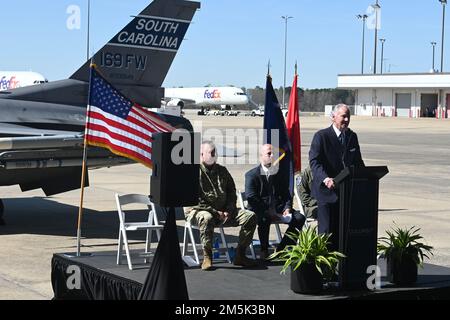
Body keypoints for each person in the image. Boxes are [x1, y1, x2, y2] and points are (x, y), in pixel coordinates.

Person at [186, 141, 258, 271]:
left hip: (224, 213)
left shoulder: (222, 171)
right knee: (206, 218)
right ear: (201, 155)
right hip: (199, 211)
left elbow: (231, 191)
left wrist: (229, 210)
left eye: (215, 152)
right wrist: (215, 212)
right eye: (211, 153)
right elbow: (195, 200)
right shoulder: (193, 172)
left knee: (250, 216)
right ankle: (207, 256)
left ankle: (240, 254)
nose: (214, 155)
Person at [309, 104, 365, 251]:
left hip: (346, 192)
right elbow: (314, 162)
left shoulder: (352, 137)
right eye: (343, 116)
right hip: (326, 193)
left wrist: (365, 177)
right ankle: (324, 268)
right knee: (326, 233)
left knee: (343, 233)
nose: (346, 120)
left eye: (348, 117)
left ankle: (341, 268)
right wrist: (325, 178)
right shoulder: (321, 136)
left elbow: (358, 162)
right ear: (333, 117)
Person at [245, 144, 306, 260]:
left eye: (273, 153)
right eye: (269, 153)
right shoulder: (252, 175)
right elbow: (251, 197)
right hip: (260, 209)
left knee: (300, 218)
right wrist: (267, 211)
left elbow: (287, 194)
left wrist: (287, 208)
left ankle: (282, 248)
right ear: (261, 156)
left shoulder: (279, 173)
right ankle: (264, 249)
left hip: (278, 208)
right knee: (264, 218)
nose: (272, 156)